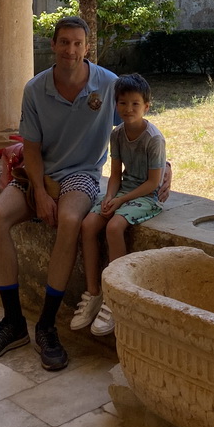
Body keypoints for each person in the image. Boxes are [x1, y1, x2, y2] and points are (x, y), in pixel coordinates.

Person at [0, 17, 170, 371]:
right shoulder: (35, 89)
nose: (71, 50)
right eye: (64, 42)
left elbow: (138, 121)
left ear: (87, 47)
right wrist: (39, 192)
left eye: (78, 43)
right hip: (39, 174)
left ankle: (47, 326)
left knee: (69, 219)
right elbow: (30, 149)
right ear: (53, 45)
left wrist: (164, 166)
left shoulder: (107, 84)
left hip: (82, 174)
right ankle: (13, 322)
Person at [70, 73, 165, 336]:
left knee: (114, 228)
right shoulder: (118, 134)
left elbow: (152, 183)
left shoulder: (153, 139)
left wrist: (121, 200)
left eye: (135, 104)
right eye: (122, 103)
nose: (128, 109)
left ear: (147, 106)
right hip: (122, 190)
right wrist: (110, 197)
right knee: (89, 224)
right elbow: (114, 175)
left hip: (145, 196)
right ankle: (93, 292)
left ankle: (116, 298)